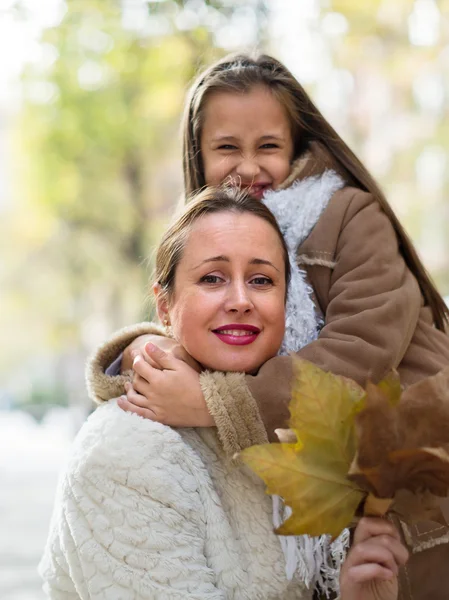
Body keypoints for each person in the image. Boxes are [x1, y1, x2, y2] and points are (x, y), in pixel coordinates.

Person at [86, 53, 449, 598]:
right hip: (326, 496)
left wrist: (217, 404)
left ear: (297, 145)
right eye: (228, 148)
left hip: (409, 494)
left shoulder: (348, 215)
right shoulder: (220, 232)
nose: (249, 167)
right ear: (198, 155)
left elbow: (362, 350)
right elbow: (202, 323)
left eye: (269, 147)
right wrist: (144, 353)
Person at [39, 187, 408, 600]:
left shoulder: (293, 438)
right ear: (163, 306)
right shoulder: (125, 455)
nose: (240, 300)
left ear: (286, 304)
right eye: (212, 278)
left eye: (261, 280)